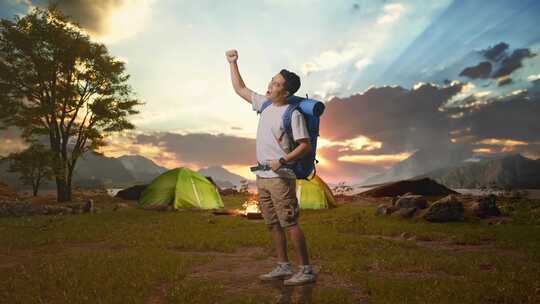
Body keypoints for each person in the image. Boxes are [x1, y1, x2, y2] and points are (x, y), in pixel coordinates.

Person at [226, 49, 316, 285]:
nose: (270, 84)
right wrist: (233, 63)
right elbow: (239, 89)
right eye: (272, 80)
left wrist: (283, 161)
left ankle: (306, 270)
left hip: (280, 176)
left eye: (276, 83)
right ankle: (283, 266)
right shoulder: (264, 105)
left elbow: (304, 146)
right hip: (263, 176)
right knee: (272, 223)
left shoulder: (292, 113)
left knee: (290, 222)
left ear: (285, 92)